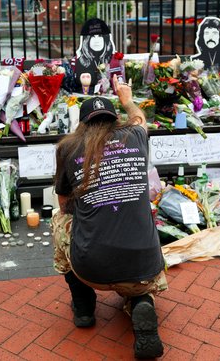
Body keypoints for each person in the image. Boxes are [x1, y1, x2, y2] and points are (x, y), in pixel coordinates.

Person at [52, 76, 168, 359]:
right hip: (144, 265)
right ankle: (141, 302)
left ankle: (83, 306)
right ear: (114, 119)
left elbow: (65, 205)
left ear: (82, 124)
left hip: (92, 267)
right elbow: (140, 118)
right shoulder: (136, 136)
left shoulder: (68, 148)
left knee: (60, 221)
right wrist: (127, 99)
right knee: (139, 279)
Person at [74, 18, 115, 92]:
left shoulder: (113, 59)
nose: (96, 40)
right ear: (87, 40)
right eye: (93, 37)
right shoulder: (79, 62)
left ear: (105, 39)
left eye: (99, 36)